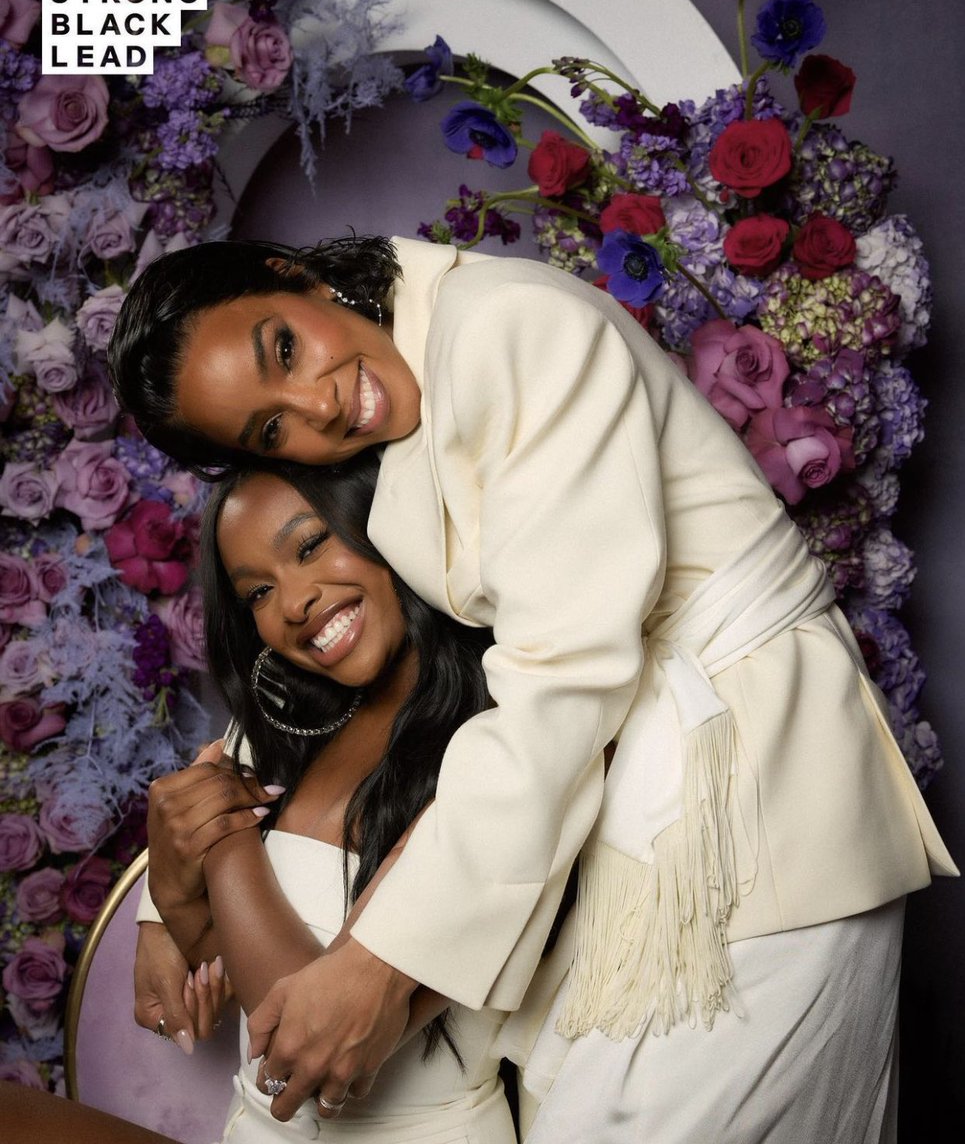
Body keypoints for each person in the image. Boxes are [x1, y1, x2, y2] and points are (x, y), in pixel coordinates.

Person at [109, 235, 956, 1142]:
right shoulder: (394, 406)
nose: (315, 401)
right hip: (625, 821)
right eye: (271, 428)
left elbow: (560, 678)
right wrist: (169, 901)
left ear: (292, 274)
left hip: (753, 790)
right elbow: (329, 672)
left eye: (283, 347)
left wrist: (380, 960)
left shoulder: (507, 327)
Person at [145, 453, 516, 1142]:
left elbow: (304, 1056)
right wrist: (170, 905)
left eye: (311, 544)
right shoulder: (301, 727)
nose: (292, 603)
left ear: (387, 521)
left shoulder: (504, 740)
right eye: (257, 592)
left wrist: (222, 839)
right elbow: (242, 973)